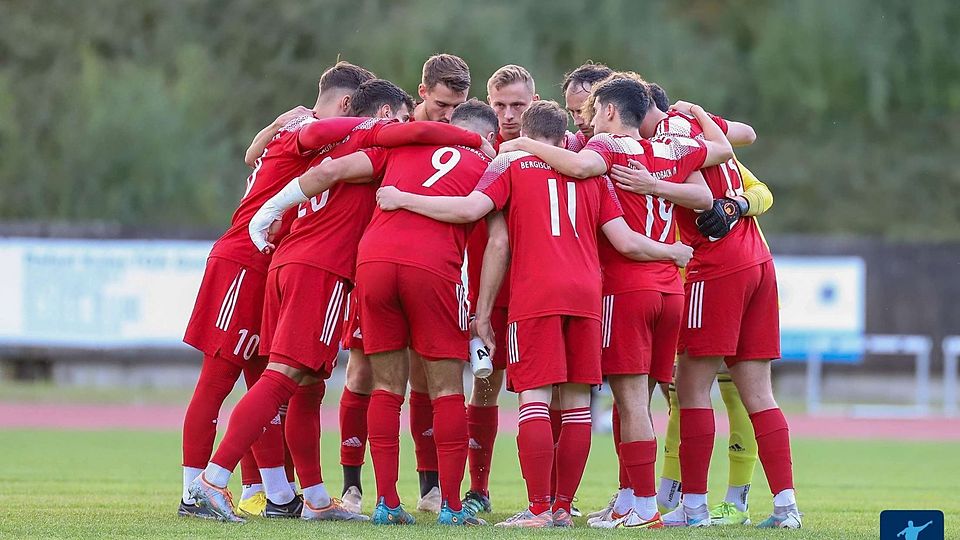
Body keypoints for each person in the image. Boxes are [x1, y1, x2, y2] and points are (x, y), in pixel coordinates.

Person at [375, 100, 693, 528]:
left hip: (535, 294)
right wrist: (672, 252)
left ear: (525, 131)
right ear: (565, 138)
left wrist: (401, 199)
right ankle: (563, 508)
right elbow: (625, 241)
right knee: (578, 406)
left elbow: (474, 216)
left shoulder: (510, 165)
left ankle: (539, 509)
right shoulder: (594, 175)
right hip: (586, 296)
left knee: (535, 400)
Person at [189, 79, 484, 523]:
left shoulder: (330, 141)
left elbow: (283, 163)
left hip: (290, 263)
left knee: (307, 390)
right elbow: (413, 139)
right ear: (384, 114)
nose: (407, 126)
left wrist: (273, 209)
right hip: (321, 271)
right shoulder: (372, 143)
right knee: (281, 378)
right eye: (402, 118)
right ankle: (211, 482)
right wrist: (473, 137)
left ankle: (314, 497)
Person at [499, 76, 727, 529]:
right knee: (645, 401)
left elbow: (581, 168)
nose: (585, 118)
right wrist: (691, 128)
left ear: (607, 111)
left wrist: (522, 146)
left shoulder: (606, 146)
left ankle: (643, 506)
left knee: (631, 404)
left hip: (628, 286)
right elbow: (716, 163)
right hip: (671, 289)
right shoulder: (668, 149)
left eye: (591, 109)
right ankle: (631, 499)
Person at [178, 61, 373, 519]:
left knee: (263, 378)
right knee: (218, 378)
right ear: (346, 104)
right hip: (244, 259)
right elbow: (297, 142)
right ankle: (194, 491)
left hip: (269, 265)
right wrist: (376, 123)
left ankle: (279, 495)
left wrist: (273, 124)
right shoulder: (309, 130)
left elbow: (251, 156)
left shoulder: (297, 127)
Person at [645, 97, 801, 529]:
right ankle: (786, 507)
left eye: (591, 110)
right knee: (757, 394)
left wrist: (652, 185)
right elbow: (745, 136)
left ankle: (694, 506)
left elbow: (704, 190)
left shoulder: (667, 135)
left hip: (715, 269)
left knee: (691, 389)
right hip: (757, 263)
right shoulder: (696, 121)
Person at [460, 64, 539, 515]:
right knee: (483, 385)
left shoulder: (555, 152)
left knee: (545, 391)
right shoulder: (473, 152)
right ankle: (477, 488)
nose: (509, 114)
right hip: (483, 291)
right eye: (500, 105)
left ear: (533, 102)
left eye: (518, 105)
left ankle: (547, 499)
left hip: (535, 292)